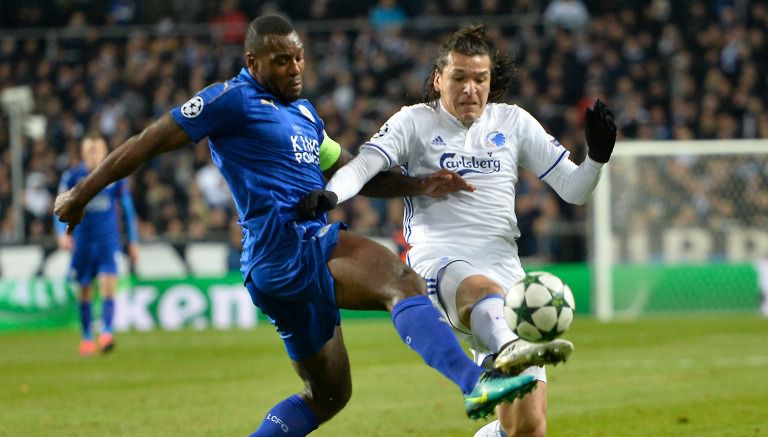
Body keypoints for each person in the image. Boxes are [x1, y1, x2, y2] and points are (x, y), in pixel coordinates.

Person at [54, 15, 539, 437]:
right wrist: (81, 195)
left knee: (329, 397)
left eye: (299, 58)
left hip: (278, 271)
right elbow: (147, 141)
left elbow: (351, 171)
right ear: (253, 61)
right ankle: (477, 383)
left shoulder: (304, 115)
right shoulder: (231, 100)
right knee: (401, 281)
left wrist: (419, 183)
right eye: (281, 60)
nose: (295, 69)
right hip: (288, 246)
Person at [300, 25, 617, 436]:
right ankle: (509, 345)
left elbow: (575, 191)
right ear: (438, 79)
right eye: (460, 78)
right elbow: (363, 166)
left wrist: (597, 158)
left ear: (490, 82)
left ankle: (504, 352)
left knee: (527, 429)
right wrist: (330, 196)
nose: (471, 89)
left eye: (480, 79)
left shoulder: (514, 122)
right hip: (439, 261)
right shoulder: (414, 122)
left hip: (506, 268)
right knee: (484, 292)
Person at [55, 132, 139, 356]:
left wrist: (133, 241)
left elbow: (128, 211)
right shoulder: (73, 176)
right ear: (83, 152)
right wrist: (61, 234)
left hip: (107, 240)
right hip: (82, 241)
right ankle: (86, 338)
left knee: (108, 285)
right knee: (84, 289)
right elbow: (58, 206)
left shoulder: (115, 176)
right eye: (90, 150)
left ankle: (107, 333)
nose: (95, 153)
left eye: (98, 149)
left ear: (104, 151)